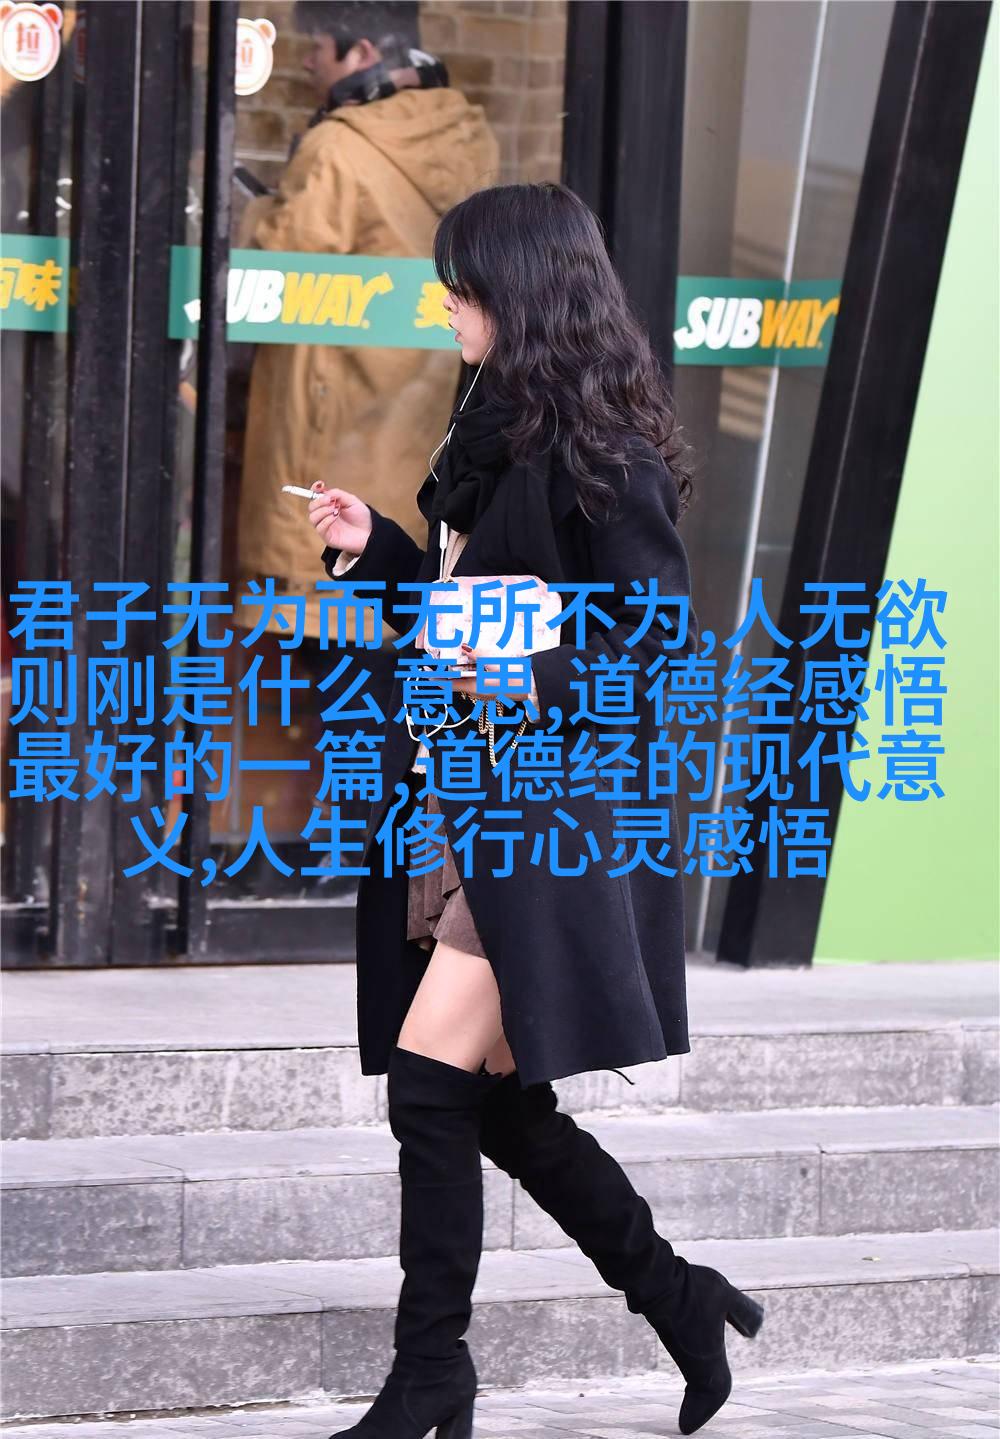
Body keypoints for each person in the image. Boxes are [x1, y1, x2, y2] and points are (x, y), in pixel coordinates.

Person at [308, 183, 765, 1439]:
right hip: (467, 794)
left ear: (518, 292)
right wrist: (378, 548)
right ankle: (679, 1297)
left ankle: (431, 1377)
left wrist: (506, 668)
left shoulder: (605, 456)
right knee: (498, 1104)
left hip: (552, 816)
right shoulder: (494, 429)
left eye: (459, 287)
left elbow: (654, 649)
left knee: (427, 1083)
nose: (445, 307)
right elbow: (469, 606)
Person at [232, 0, 499, 706]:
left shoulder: (337, 149)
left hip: (328, 448)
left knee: (327, 676)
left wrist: (255, 209)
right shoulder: (469, 143)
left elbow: (273, 273)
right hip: (414, 446)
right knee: (385, 675)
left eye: (317, 47)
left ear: (361, 53)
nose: (306, 62)